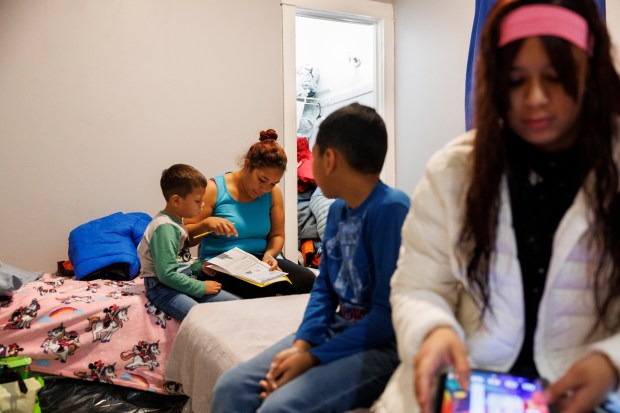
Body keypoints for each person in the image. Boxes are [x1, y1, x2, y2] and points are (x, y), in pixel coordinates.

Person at [373, 1, 620, 413]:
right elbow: (419, 285)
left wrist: (611, 362)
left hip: (590, 392)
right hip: (468, 382)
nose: (535, 98)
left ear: (590, 75)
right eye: (516, 80)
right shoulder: (454, 170)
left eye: (555, 78)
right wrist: (433, 331)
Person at [210, 103, 411, 413]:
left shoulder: (391, 209)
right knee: (232, 387)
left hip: (382, 345)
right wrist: (304, 344)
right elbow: (325, 289)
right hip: (339, 327)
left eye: (314, 155)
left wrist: (314, 357)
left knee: (277, 406)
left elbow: (387, 317)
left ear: (328, 159)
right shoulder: (338, 211)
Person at [184, 129, 316, 299]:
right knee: (262, 289)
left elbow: (276, 235)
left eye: (273, 183)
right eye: (262, 180)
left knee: (308, 280)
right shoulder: (214, 189)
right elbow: (185, 237)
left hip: (258, 261)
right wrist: (206, 224)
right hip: (219, 263)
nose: (265, 189)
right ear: (247, 165)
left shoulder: (273, 193)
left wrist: (269, 256)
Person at [138, 164, 239, 321]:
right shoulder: (165, 227)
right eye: (198, 201)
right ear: (177, 201)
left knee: (237, 305)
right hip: (162, 288)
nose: (203, 205)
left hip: (180, 281)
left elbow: (181, 261)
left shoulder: (177, 223)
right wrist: (201, 287)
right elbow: (167, 274)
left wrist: (201, 267)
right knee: (201, 319)